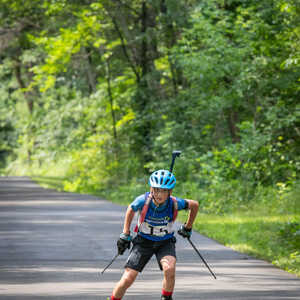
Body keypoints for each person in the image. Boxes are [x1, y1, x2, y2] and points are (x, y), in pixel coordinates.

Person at [108, 169, 199, 300]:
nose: (159, 194)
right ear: (151, 188)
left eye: (163, 191)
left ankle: (166, 298)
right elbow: (130, 209)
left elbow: (194, 205)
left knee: (169, 269)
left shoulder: (174, 203)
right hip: (143, 241)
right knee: (128, 278)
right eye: (156, 189)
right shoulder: (143, 201)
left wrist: (188, 227)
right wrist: (125, 233)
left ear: (170, 192)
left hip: (165, 242)